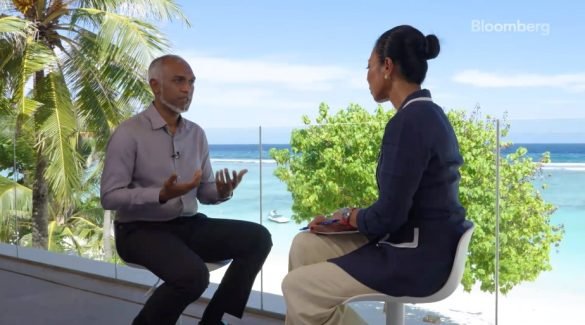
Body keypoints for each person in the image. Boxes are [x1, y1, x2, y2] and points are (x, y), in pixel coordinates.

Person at [281, 25, 471, 325]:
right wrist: (339, 221)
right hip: (423, 244)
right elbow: (398, 209)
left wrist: (346, 216)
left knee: (298, 288)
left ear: (387, 66)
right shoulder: (429, 114)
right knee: (306, 245)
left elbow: (388, 217)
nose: (366, 76)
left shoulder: (409, 122)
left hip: (419, 257)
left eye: (368, 66)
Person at [100, 54, 272, 325]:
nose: (187, 89)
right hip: (138, 230)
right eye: (179, 81)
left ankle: (213, 320)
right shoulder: (128, 133)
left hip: (187, 225)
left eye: (191, 82)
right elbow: (109, 197)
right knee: (193, 276)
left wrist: (222, 191)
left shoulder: (196, 134)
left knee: (258, 238)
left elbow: (204, 193)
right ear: (155, 86)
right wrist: (160, 195)